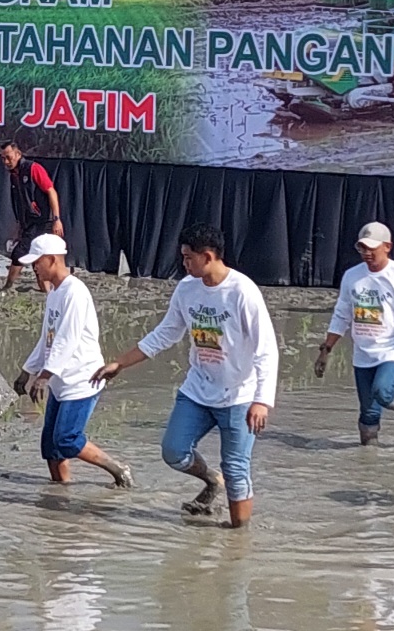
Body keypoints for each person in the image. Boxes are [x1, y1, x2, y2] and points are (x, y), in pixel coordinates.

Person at [92, 224, 277, 528]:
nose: (184, 263)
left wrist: (261, 401)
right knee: (174, 451)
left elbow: (266, 349)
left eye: (188, 258)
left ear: (208, 256)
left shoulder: (243, 292)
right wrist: (120, 363)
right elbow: (166, 333)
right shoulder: (187, 289)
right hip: (198, 390)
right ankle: (210, 481)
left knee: (236, 469)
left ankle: (237, 540)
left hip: (239, 396)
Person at [16, 235, 132, 487]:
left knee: (66, 440)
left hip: (82, 380)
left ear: (51, 259)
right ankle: (62, 494)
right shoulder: (55, 292)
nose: (34, 267)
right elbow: (48, 338)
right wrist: (28, 371)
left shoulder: (75, 292)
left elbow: (67, 339)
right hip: (61, 381)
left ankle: (118, 469)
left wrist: (44, 376)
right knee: (50, 447)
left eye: (37, 262)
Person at [314, 222, 394, 447]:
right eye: (362, 248)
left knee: (382, 391)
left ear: (387, 247)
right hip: (363, 352)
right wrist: (326, 349)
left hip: (392, 349)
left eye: (372, 248)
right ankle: (369, 458)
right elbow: (342, 314)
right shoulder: (352, 276)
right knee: (368, 413)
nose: (367, 253)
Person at [0, 140, 63, 291]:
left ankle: (7, 288)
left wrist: (56, 219)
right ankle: (46, 291)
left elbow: (51, 191)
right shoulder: (14, 174)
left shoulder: (33, 168)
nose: (6, 161)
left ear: (18, 154)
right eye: (2, 158)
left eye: (9, 157)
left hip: (42, 221)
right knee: (38, 260)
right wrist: (19, 227)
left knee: (19, 254)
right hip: (29, 223)